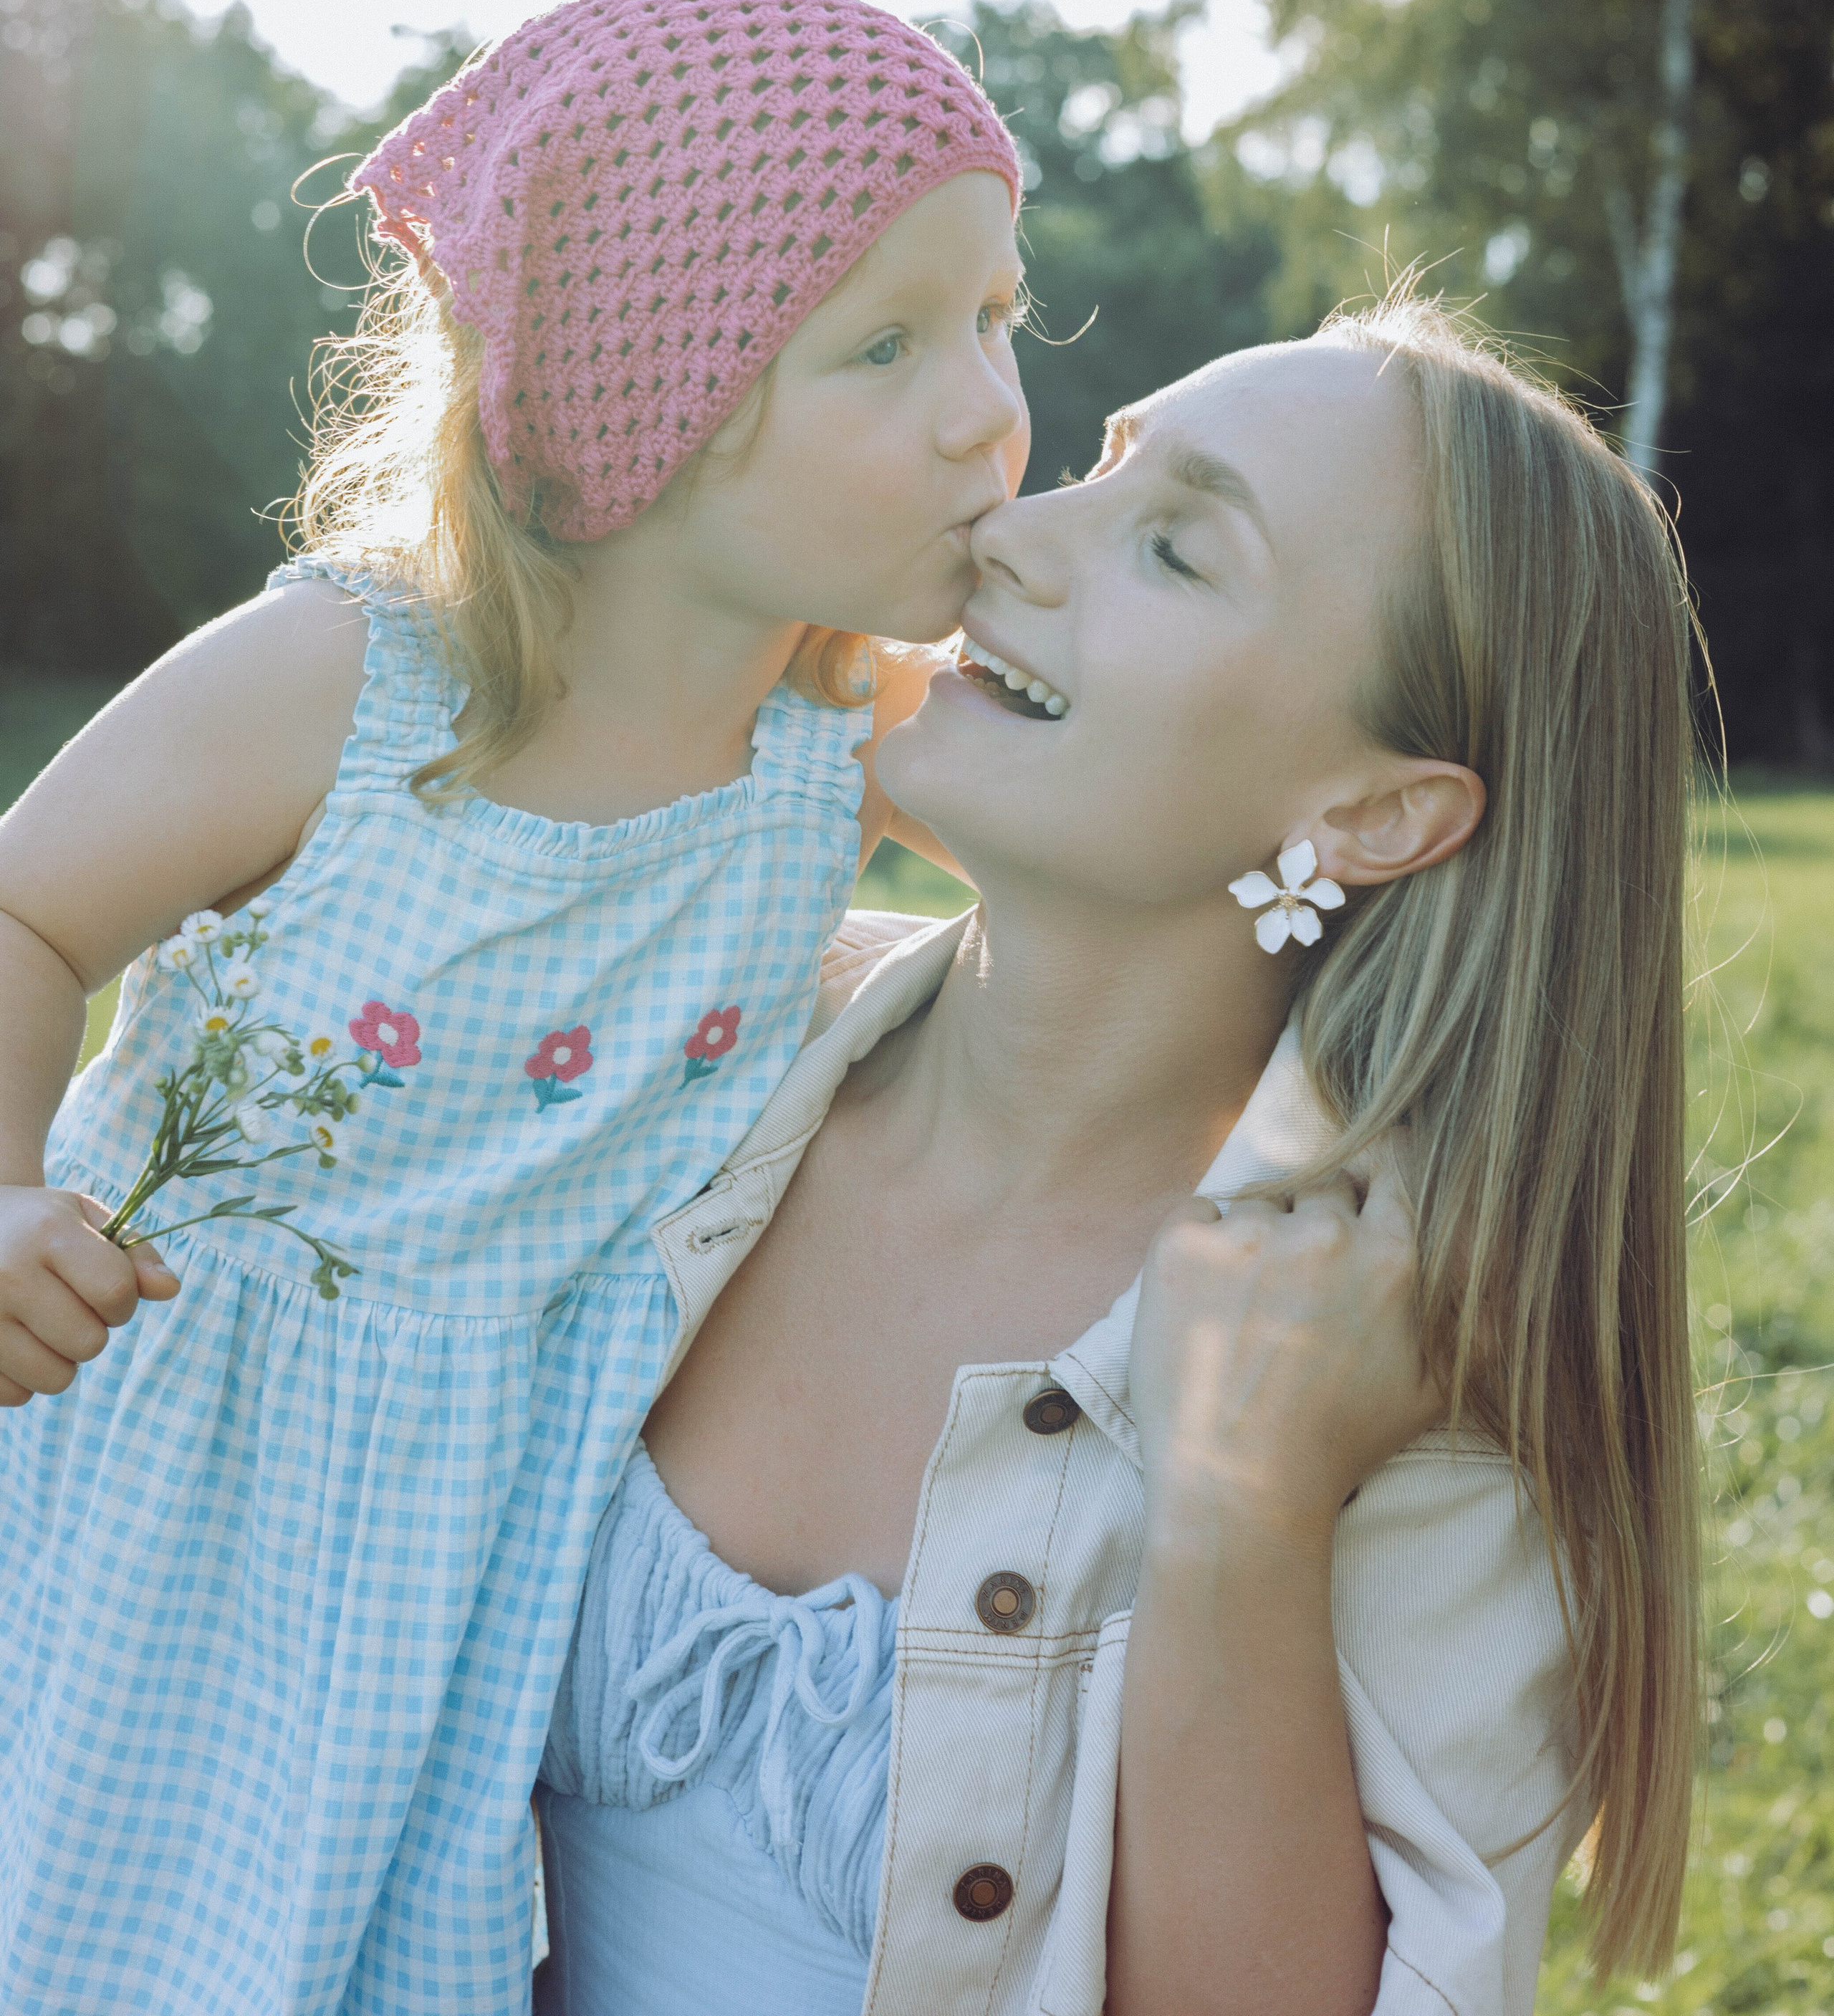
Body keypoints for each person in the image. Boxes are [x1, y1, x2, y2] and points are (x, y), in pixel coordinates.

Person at [0, 0, 1031, 2016]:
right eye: (888, 344)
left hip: (475, 1566)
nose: (989, 406)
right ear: (641, 387)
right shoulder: (351, 689)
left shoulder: (844, 752)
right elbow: (23, 913)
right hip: (160, 1465)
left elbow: (1139, 848)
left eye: (1000, 318)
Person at [536, 293, 1700, 2016]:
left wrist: (1243, 1511)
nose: (1005, 528)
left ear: (1369, 816)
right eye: (1096, 465)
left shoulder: (1400, 1377)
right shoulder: (678, 1048)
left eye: (1173, 548)